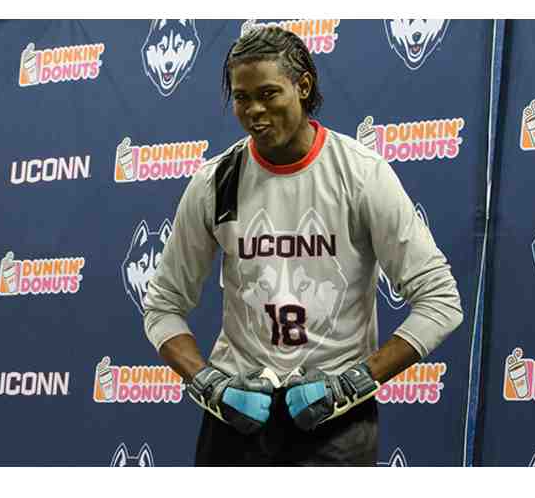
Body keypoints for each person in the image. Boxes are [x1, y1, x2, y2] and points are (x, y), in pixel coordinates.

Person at [142, 25, 463, 466]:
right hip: (235, 420)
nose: (254, 111)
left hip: (336, 423)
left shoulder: (361, 174)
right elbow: (162, 306)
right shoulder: (215, 181)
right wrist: (211, 385)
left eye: (268, 94)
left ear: (303, 86)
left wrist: (351, 384)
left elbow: (441, 301)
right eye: (242, 97)